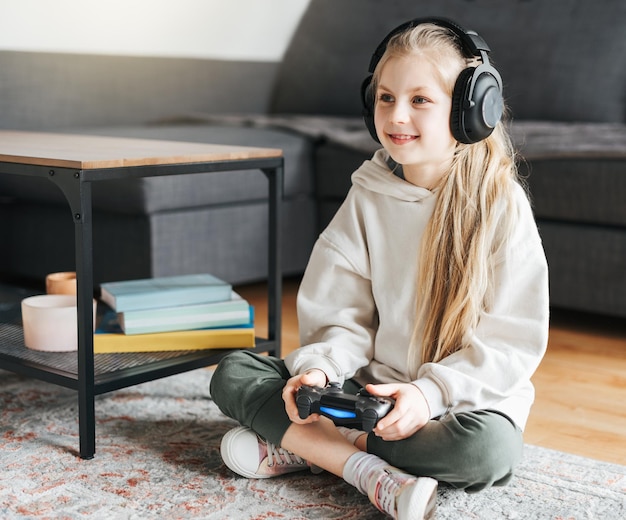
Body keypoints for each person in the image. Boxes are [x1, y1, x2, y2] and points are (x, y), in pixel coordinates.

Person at [210, 17, 549, 520]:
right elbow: (341, 312)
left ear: (469, 112)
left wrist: (426, 394)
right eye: (386, 98)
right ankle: (367, 472)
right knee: (233, 372)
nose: (397, 115)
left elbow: (509, 342)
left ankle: (307, 447)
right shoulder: (368, 192)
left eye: (420, 100)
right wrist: (320, 368)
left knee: (486, 453)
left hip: (457, 401)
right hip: (367, 391)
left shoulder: (501, 205)